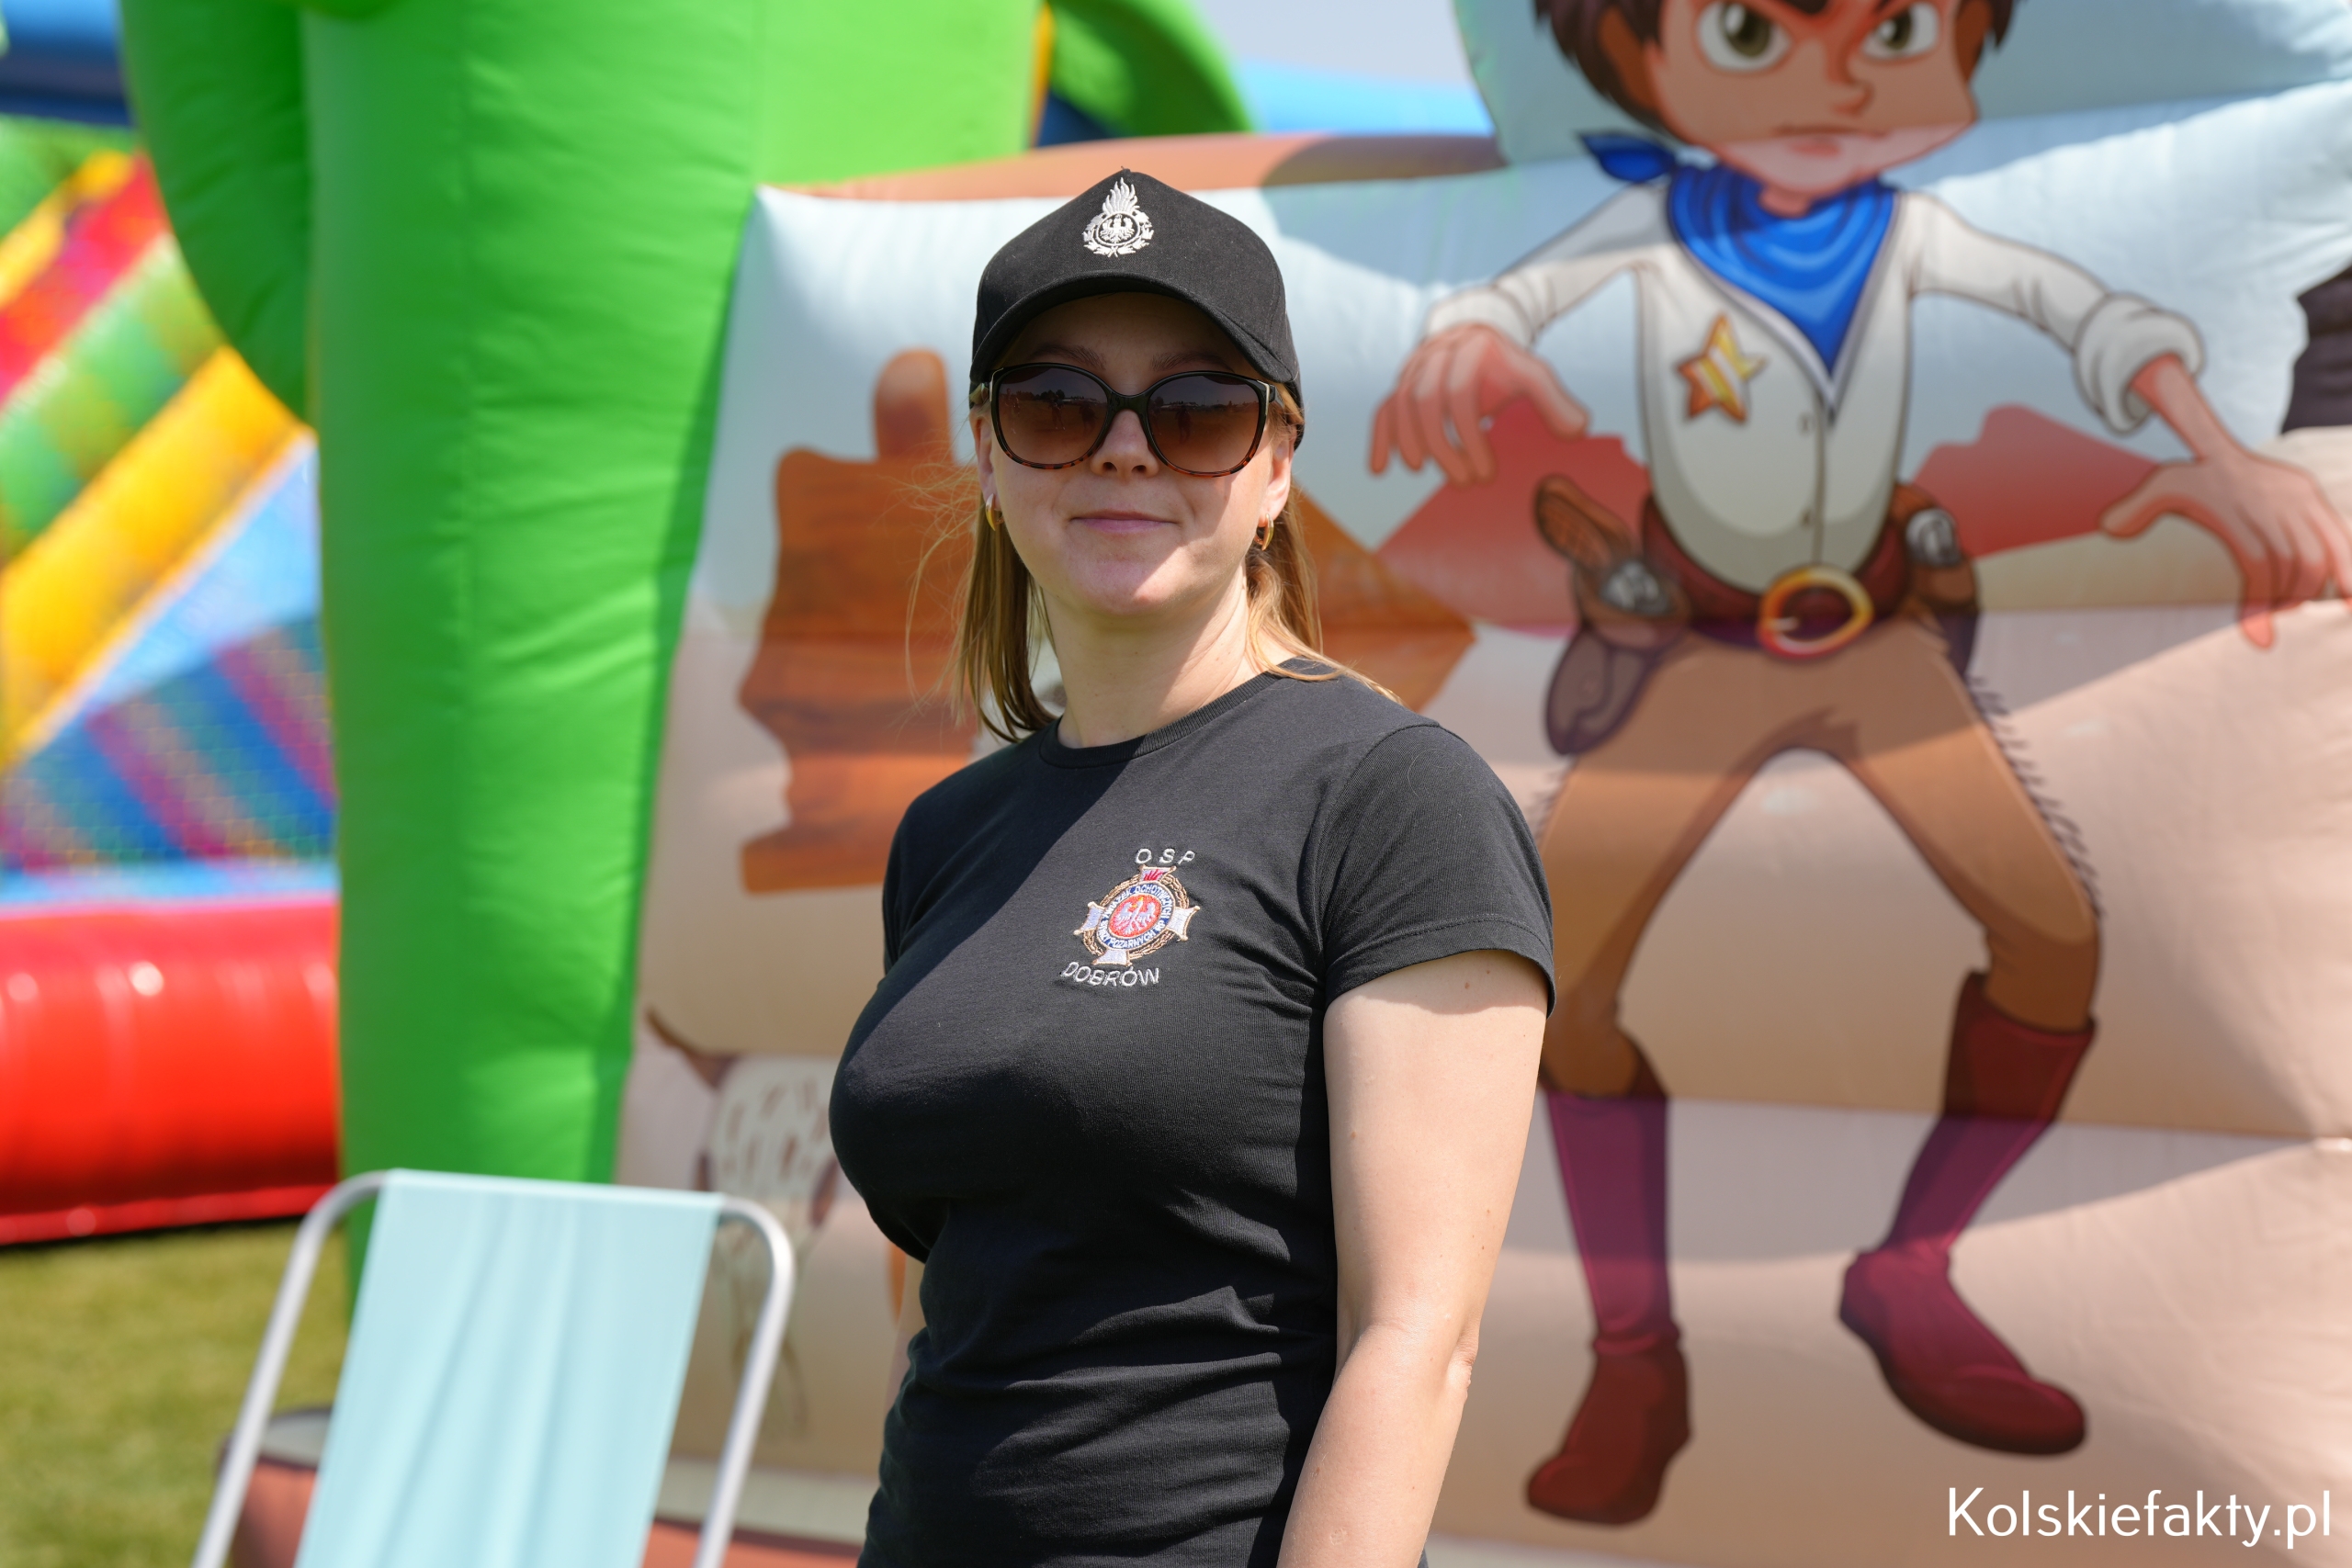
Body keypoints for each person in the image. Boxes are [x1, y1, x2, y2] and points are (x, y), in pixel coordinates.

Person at [1368, 0, 2352, 1528]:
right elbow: (1508, 301)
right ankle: (1635, 1354)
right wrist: (1472, 342)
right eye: (1751, 34)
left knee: (2052, 938)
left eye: (1890, 29)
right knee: (1553, 972)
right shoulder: (1649, 228)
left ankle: (1910, 1270)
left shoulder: (1917, 232)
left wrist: (2223, 458)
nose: (1834, 79)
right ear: (1638, 60)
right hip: (1700, 644)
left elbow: (2089, 320)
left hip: (1879, 637)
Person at [829, 170, 1555, 1568]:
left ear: (1276, 466)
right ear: (987, 455)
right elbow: (952, 1292)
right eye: (1057, 403)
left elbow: (1417, 1343)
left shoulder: (1393, 800)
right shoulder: (945, 835)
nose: (1124, 451)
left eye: (1198, 409)